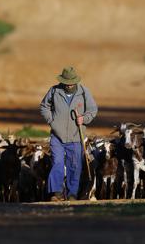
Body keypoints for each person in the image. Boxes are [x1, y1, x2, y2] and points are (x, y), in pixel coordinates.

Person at [40, 66, 98, 201]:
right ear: (63, 81)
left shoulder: (84, 92)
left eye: (72, 82)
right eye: (67, 82)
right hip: (57, 135)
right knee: (57, 163)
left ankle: (72, 194)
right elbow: (44, 106)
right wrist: (52, 120)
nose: (70, 84)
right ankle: (57, 193)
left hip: (76, 135)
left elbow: (93, 110)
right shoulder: (54, 91)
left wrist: (84, 119)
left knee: (75, 166)